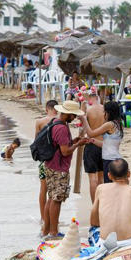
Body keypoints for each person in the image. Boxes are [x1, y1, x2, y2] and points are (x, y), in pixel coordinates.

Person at [43, 101, 89, 238]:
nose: (74, 117)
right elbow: (65, 152)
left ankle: (46, 231)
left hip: (50, 165)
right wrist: (77, 145)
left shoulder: (55, 123)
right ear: (67, 114)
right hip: (59, 167)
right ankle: (53, 232)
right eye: (73, 115)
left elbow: (60, 145)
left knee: (51, 198)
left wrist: (73, 141)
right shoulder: (62, 128)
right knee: (56, 199)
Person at [89, 159, 131, 245]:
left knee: (93, 229)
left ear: (109, 176)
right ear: (128, 174)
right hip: (129, 243)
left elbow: (94, 222)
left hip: (105, 244)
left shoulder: (101, 188)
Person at [80, 101, 123, 183]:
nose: (104, 114)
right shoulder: (119, 124)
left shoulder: (109, 124)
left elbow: (91, 133)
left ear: (109, 112)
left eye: (105, 112)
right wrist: (93, 141)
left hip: (109, 160)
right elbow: (107, 145)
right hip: (116, 157)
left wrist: (84, 119)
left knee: (108, 186)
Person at [34, 100, 58, 230]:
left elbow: (36, 142)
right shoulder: (58, 120)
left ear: (46, 108)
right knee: (53, 191)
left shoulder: (39, 122)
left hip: (44, 160)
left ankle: (43, 218)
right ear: (56, 109)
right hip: (55, 159)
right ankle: (52, 218)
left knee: (43, 189)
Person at [81, 87, 104, 203]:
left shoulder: (88, 110)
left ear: (89, 98)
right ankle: (102, 205)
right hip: (103, 145)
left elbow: (83, 129)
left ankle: (95, 205)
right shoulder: (104, 109)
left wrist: (83, 105)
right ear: (97, 97)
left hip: (91, 144)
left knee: (92, 179)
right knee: (101, 179)